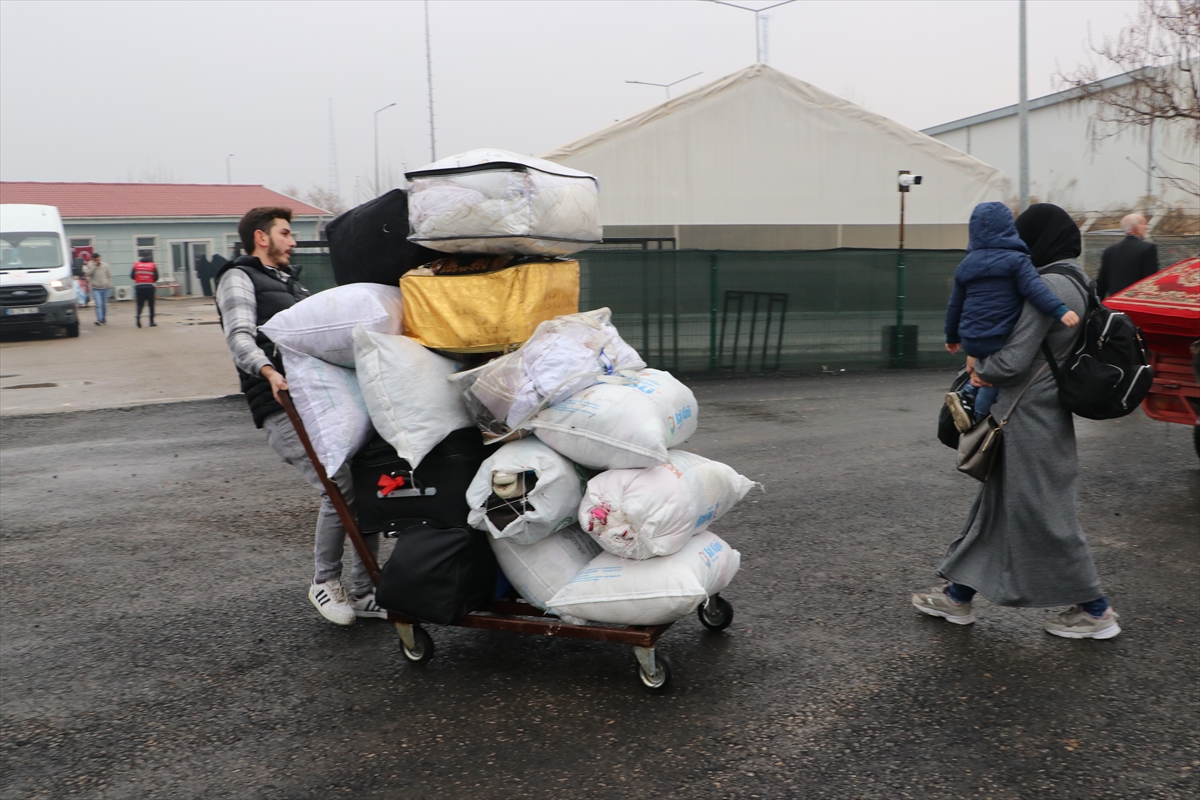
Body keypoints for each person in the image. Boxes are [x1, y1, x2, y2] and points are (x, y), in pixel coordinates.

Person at [913, 202, 1121, 640]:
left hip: (1031, 419)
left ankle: (1097, 611)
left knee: (1046, 514)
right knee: (999, 508)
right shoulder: (1076, 280)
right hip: (1031, 416)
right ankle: (957, 597)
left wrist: (979, 370)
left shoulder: (1051, 286)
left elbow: (1013, 360)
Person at [214, 206, 383, 626]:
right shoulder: (238, 277)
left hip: (318, 402)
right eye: (286, 233)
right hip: (280, 405)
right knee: (338, 486)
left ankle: (365, 592)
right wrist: (268, 370)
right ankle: (325, 582)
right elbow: (239, 337)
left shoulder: (290, 284)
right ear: (260, 237)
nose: (292, 242)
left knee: (365, 485)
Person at [942, 201, 1080, 432]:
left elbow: (955, 305)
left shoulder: (966, 265)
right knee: (992, 381)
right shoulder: (1017, 261)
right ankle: (977, 414)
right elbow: (1036, 291)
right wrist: (1060, 311)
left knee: (978, 368)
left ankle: (966, 393)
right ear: (1009, 229)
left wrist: (952, 335)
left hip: (970, 337)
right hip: (998, 335)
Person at [1097, 213, 1159, 299]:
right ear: (1136, 228)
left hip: (1115, 303)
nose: (1147, 227)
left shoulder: (1110, 251)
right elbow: (1150, 280)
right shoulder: (1148, 248)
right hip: (1136, 303)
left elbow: (1101, 283)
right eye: (1144, 224)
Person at [84, 253, 113, 326]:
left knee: (104, 305)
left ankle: (103, 319)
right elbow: (88, 274)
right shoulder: (90, 265)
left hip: (105, 288)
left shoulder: (105, 265)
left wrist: (109, 284)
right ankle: (99, 319)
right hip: (95, 288)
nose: (98, 261)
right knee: (98, 304)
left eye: (98, 259)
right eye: (96, 260)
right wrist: (94, 266)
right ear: (93, 259)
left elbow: (109, 276)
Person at [131, 254, 159, 327]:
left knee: (140, 304)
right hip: (150, 287)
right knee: (151, 305)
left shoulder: (136, 265)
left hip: (139, 287)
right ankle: (151, 322)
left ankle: (138, 317)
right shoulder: (152, 265)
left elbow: (132, 276)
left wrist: (139, 279)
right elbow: (156, 277)